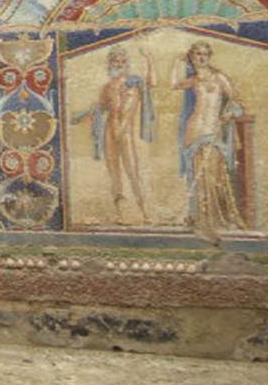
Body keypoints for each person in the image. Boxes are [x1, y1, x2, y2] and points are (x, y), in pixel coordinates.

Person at [171, 41, 246, 239]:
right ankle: (201, 220)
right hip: (194, 130)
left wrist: (229, 113)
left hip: (213, 130)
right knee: (198, 176)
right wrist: (175, 63)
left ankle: (215, 219)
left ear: (209, 56)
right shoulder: (193, 80)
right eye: (197, 54)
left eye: (205, 54)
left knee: (213, 176)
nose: (201, 57)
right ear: (192, 57)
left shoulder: (219, 78)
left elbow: (235, 99)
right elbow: (173, 84)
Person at [73, 45, 155, 223]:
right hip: (109, 131)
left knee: (133, 172)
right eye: (115, 61)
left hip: (125, 132)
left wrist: (148, 59)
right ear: (110, 63)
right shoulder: (107, 87)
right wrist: (80, 118)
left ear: (127, 64)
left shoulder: (134, 83)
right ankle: (121, 213)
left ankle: (144, 212)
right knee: (114, 173)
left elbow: (151, 83)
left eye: (122, 61)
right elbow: (99, 109)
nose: (118, 64)